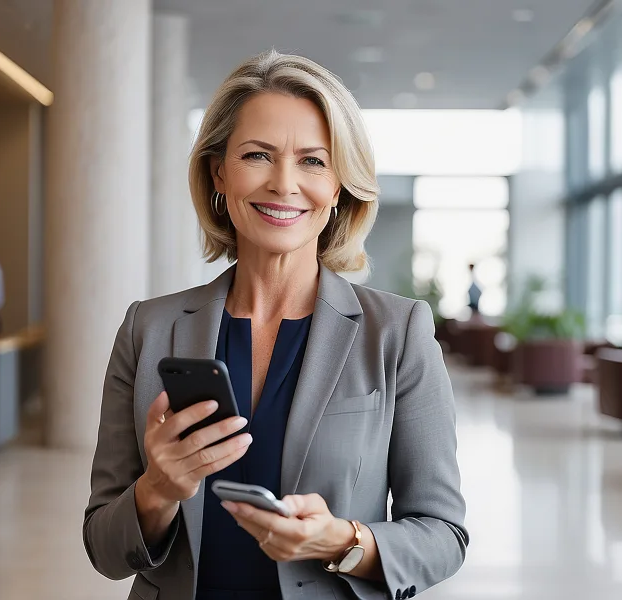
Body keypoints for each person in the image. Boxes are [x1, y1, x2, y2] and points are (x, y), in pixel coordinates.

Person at [84, 51, 468, 600]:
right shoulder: (149, 328)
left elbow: (443, 534)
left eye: (313, 161)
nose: (284, 184)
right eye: (257, 155)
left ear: (339, 185)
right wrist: (156, 491)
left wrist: (340, 540)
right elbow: (103, 548)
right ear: (219, 172)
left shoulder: (398, 333)